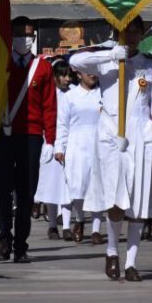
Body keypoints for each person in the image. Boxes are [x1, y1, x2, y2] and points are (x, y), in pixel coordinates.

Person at [71, 16, 152, 282]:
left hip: (139, 140)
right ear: (117, 33)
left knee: (138, 206)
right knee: (115, 201)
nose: (131, 37)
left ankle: (131, 263)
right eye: (126, 32)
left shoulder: (149, 67)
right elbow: (75, 62)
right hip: (111, 139)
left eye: (136, 32)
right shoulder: (107, 61)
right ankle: (112, 251)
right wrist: (110, 54)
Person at [0, 16, 57, 262]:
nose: (24, 39)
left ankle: (21, 245)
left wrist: (51, 140)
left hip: (32, 136)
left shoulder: (43, 67)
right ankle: (4, 239)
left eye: (28, 35)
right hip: (2, 134)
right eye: (18, 34)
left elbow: (50, 107)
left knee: (26, 193)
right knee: (1, 190)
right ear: (9, 35)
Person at [55, 66, 102, 243]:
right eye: (87, 71)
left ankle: (96, 230)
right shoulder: (70, 96)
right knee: (78, 186)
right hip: (76, 144)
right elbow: (62, 124)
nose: (91, 75)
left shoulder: (103, 94)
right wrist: (60, 147)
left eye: (94, 71)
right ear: (79, 74)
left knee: (97, 187)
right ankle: (80, 220)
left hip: (98, 143)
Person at [36, 60, 72, 240]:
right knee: (51, 184)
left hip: (67, 142)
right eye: (63, 75)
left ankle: (66, 225)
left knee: (66, 185)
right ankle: (52, 225)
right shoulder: (49, 94)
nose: (67, 79)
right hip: (50, 140)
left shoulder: (72, 94)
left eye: (68, 75)